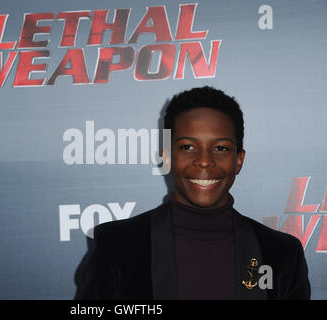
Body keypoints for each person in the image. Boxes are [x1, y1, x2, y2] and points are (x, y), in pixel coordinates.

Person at [74, 86, 311, 300]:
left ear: (239, 160)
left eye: (220, 148)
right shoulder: (116, 246)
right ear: (166, 156)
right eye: (187, 147)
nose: (205, 161)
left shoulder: (282, 254)